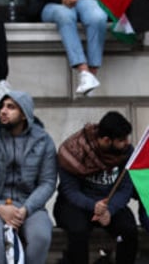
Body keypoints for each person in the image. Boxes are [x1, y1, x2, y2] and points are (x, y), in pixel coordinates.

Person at [0, 90, 57, 264]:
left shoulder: (44, 141)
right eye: (2, 106)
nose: (3, 111)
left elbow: (48, 182)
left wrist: (26, 209)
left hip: (29, 205)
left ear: (24, 114)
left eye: (11, 107)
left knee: (41, 237)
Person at [54, 111, 137, 264]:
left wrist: (109, 210)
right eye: (121, 140)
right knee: (78, 231)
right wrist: (93, 206)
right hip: (76, 204)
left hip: (110, 204)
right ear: (106, 140)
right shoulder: (73, 151)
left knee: (129, 230)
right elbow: (69, 190)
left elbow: (126, 188)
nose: (127, 142)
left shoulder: (127, 152)